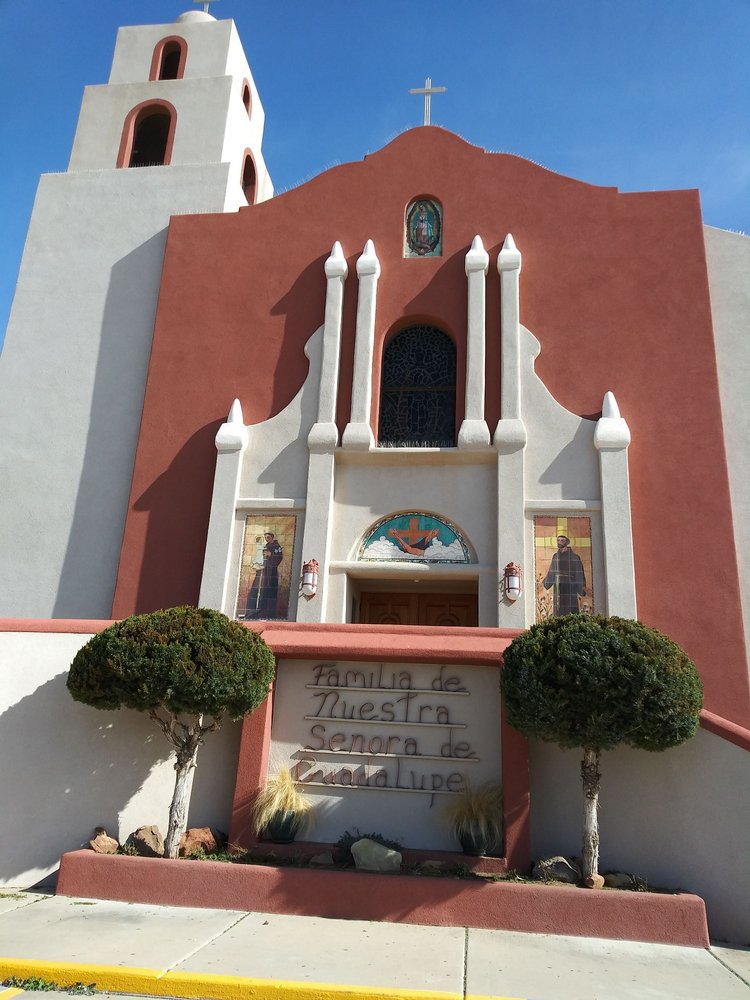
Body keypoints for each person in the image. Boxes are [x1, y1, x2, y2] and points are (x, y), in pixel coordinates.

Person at [543, 534, 586, 615]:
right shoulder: (556, 556)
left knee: (570, 607)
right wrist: (545, 583)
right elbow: (552, 571)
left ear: (567, 542)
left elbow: (579, 572)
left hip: (570, 585)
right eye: (558, 540)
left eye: (562, 541)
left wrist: (582, 587)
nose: (559, 542)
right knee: (559, 607)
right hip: (558, 585)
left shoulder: (574, 557)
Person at [245, 531, 283, 618]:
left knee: (270, 590)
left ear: (272, 537)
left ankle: (269, 612)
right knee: (260, 589)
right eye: (265, 538)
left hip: (271, 572)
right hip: (264, 571)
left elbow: (279, 557)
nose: (266, 539)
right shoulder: (265, 546)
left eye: (268, 537)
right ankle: (258, 610)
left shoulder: (276, 546)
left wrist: (271, 554)